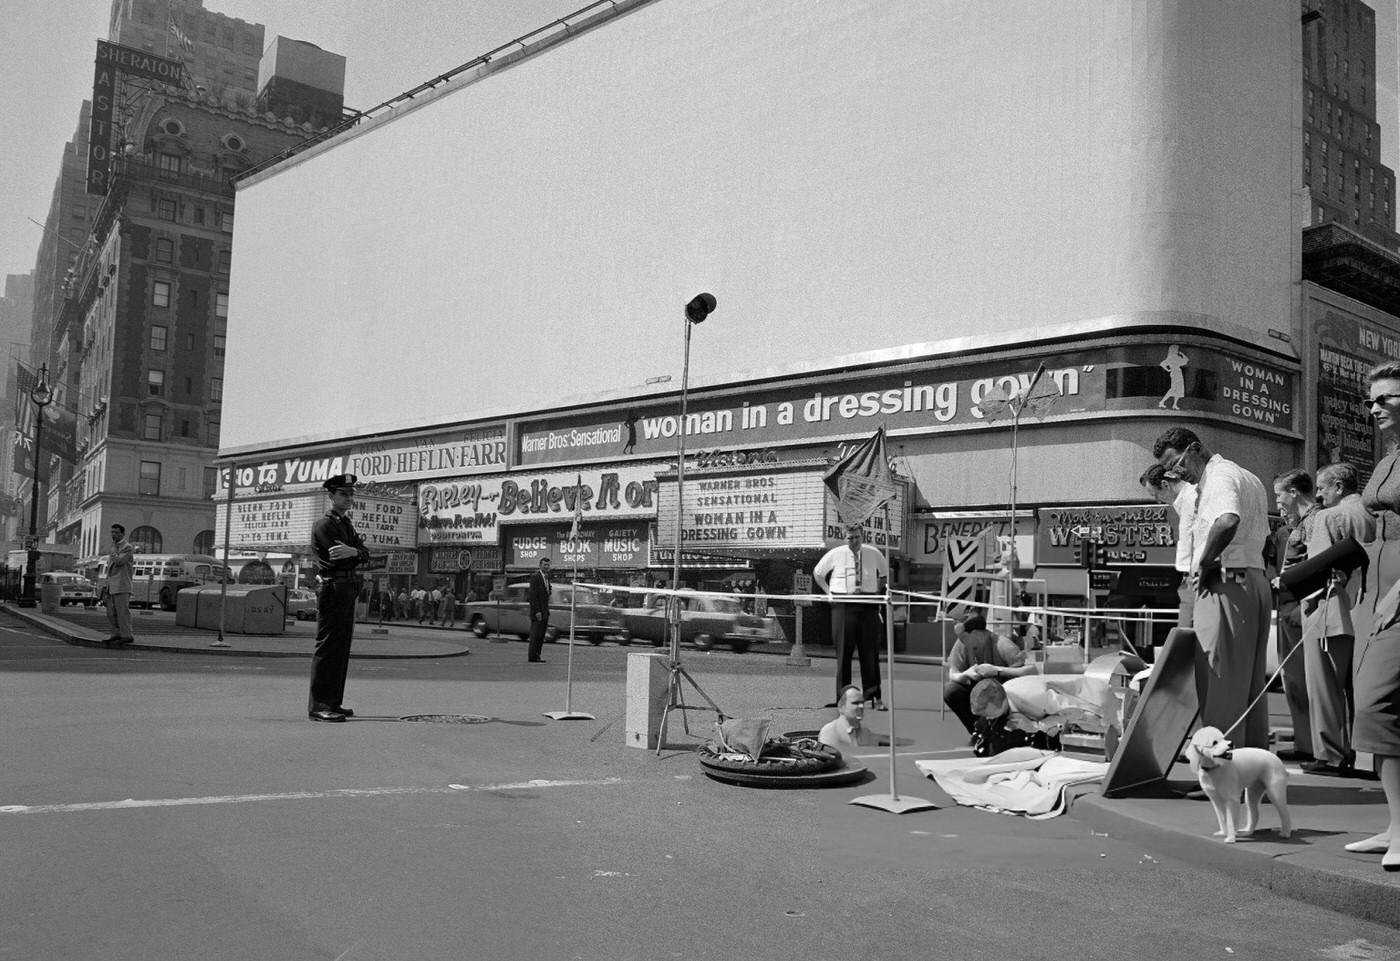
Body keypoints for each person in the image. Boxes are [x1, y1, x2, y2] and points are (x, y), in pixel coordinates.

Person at [1154, 426, 1271, 749]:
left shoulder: (1219, 477)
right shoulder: (1246, 476)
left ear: (1194, 449)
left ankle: (1219, 765)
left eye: (1177, 464)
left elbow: (1226, 520)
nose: (1176, 473)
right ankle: (1252, 760)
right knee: (1248, 682)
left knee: (1217, 677)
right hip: (1252, 578)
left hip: (1226, 580)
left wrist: (1205, 562)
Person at [1351, 362, 1400, 869]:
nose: (1375, 408)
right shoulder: (1388, 457)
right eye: (1371, 401)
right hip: (1374, 586)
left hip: (1397, 591)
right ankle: (1394, 825)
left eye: (1386, 397)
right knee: (1382, 710)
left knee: (1376, 704)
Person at [1303, 462, 1376, 776]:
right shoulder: (1372, 514)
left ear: (1338, 487)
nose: (1318, 495)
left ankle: (1331, 753)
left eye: (1322, 488)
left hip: (1332, 607)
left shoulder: (1328, 517)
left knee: (1324, 685)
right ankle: (1363, 753)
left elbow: (1316, 567)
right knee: (1357, 687)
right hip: (1368, 605)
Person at [307, 473, 370, 723]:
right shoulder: (325, 524)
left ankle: (333, 701)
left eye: (351, 494)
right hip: (333, 588)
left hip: (347, 588)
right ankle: (318, 704)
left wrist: (353, 550)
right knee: (328, 647)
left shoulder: (346, 525)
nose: (348, 498)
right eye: (343, 494)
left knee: (341, 648)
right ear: (331, 496)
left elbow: (364, 554)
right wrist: (354, 553)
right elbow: (339, 557)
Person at [1270, 468, 1318, 763]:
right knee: (1294, 682)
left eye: (1279, 496)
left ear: (1293, 492)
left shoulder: (1316, 521)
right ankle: (1305, 743)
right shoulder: (1293, 526)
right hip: (1289, 610)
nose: (1277, 503)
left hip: (1303, 611)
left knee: (1308, 682)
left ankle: (1316, 746)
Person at [813, 525, 888, 710]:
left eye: (856, 537)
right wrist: (829, 593)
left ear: (862, 536)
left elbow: (885, 575)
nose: (853, 541)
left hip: (868, 604)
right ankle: (842, 698)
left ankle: (874, 697)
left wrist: (877, 594)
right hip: (843, 603)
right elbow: (818, 573)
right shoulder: (835, 553)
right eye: (850, 538)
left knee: (870, 653)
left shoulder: (874, 553)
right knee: (843, 654)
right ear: (844, 538)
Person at [941, 613, 1035, 734]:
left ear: (975, 634)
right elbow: (952, 673)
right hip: (980, 689)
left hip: (1005, 692)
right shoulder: (962, 645)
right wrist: (965, 674)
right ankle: (978, 731)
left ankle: (1004, 730)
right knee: (951, 691)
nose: (962, 642)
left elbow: (1031, 671)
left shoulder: (1003, 645)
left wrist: (997, 670)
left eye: (964, 638)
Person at [1139, 462, 1196, 627]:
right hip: (1195, 577)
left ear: (1165, 485)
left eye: (1156, 495)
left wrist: (1189, 576)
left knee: (1188, 631)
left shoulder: (1190, 499)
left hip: (1195, 578)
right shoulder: (1189, 498)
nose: (1157, 502)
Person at [819, 684, 880, 752]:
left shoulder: (867, 735)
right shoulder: (829, 732)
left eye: (862, 702)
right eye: (855, 703)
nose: (861, 706)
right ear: (841, 706)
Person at [102, 523, 136, 646]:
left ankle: (126, 634)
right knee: (111, 612)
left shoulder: (127, 547)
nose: (114, 534)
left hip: (122, 585)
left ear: (122, 533)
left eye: (116, 532)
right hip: (112, 585)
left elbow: (119, 561)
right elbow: (110, 569)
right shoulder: (114, 547)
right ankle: (115, 633)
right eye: (112, 532)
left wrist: (113, 551)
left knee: (122, 611)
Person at [527, 557, 552, 662]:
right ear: (540, 565)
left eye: (548, 565)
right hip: (538, 612)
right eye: (544, 565)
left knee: (541, 635)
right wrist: (537, 611)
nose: (546, 566)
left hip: (545, 612)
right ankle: (532, 656)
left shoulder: (547, 577)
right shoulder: (535, 577)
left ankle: (537, 655)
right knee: (535, 635)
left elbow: (547, 593)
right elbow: (532, 596)